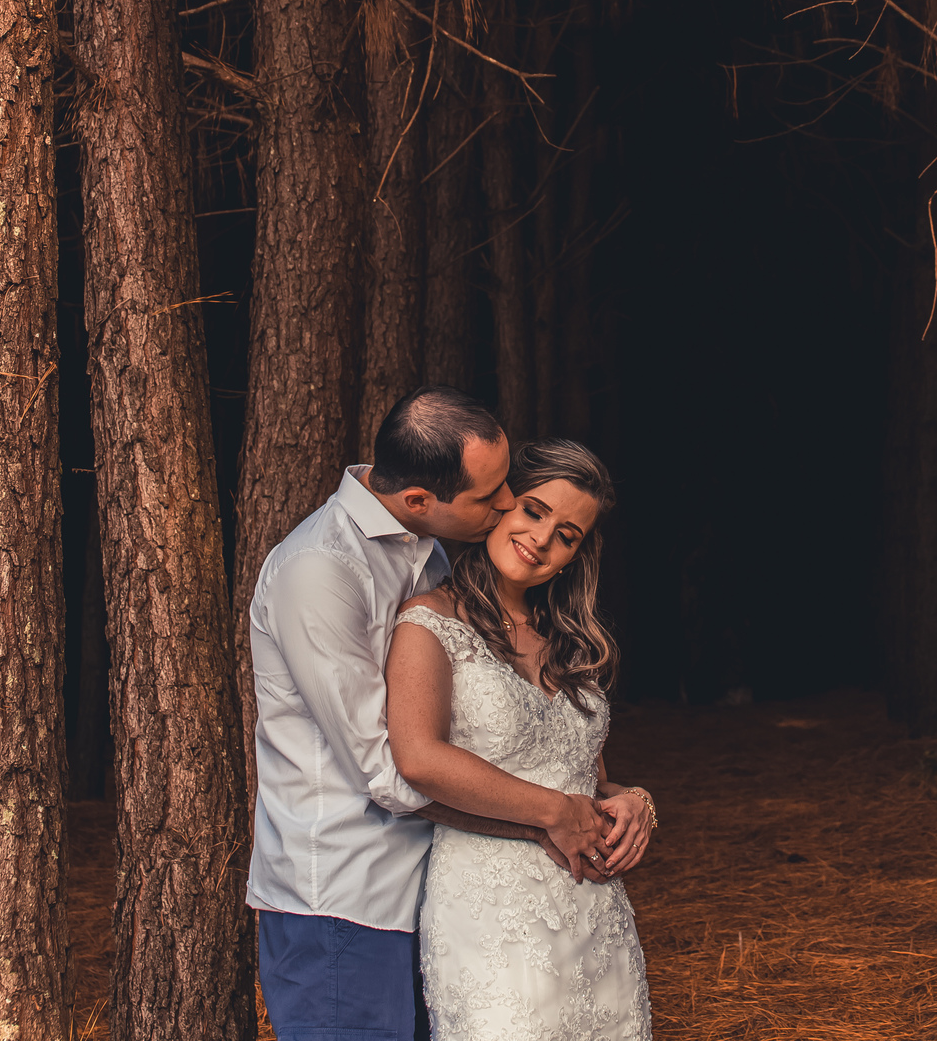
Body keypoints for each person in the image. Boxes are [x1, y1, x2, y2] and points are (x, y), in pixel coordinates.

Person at [247, 388, 616, 1041]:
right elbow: (389, 771)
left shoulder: (430, 549)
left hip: (430, 894)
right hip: (343, 899)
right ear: (419, 498)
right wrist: (545, 822)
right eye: (493, 496)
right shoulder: (319, 570)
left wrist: (615, 799)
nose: (505, 507)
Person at [386, 437, 655, 1041]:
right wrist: (557, 812)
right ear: (501, 501)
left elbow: (585, 773)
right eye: (534, 510)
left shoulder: (570, 642)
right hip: (491, 913)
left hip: (595, 914)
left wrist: (634, 800)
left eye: (568, 535)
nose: (542, 539)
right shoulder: (429, 623)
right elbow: (418, 759)